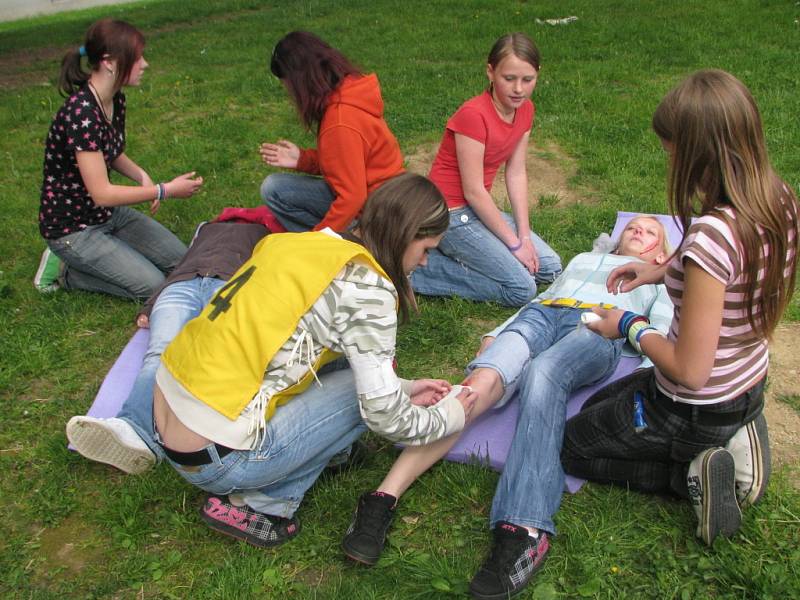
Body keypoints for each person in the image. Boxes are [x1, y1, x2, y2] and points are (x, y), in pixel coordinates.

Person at [342, 216, 674, 599]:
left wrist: (642, 379)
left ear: (662, 251)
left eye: (651, 232)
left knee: (543, 374)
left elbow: (661, 329)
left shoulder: (659, 276)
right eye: (633, 227)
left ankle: (524, 527)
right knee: (476, 387)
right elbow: (537, 301)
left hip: (599, 328)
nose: (638, 231)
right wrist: (495, 334)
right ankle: (383, 497)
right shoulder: (584, 257)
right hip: (543, 314)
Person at [151, 173, 476, 548]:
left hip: (168, 419)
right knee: (361, 398)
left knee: (341, 364)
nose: (424, 262)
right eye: (426, 249)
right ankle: (263, 504)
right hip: (216, 461)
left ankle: (324, 450)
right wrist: (450, 417)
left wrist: (403, 388)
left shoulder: (303, 244)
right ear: (406, 234)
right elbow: (382, 415)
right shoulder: (368, 290)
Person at [561, 70, 798, 548]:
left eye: (672, 149)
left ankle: (700, 475)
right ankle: (736, 433)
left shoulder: (712, 236)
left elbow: (689, 370)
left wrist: (627, 324)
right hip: (746, 383)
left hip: (694, 404)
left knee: (573, 447)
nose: (668, 158)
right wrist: (658, 271)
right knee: (596, 406)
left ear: (698, 153)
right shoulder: (777, 197)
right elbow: (727, 278)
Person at [66, 214, 272, 474]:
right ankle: (133, 430)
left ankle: (191, 431)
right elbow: (179, 265)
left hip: (230, 285)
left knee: (213, 354)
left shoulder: (268, 232)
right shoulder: (207, 230)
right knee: (160, 354)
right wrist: (151, 304)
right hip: (181, 285)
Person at [38, 19, 203, 299]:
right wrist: (163, 190)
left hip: (105, 214)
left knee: (182, 263)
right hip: (73, 228)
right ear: (110, 62)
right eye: (137, 58)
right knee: (151, 286)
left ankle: (106, 254)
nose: (145, 64)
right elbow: (102, 193)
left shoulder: (115, 99)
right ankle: (66, 271)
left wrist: (140, 175)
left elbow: (109, 152)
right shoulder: (82, 113)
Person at [410, 32, 562, 307]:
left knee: (550, 267)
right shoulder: (473, 115)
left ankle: (458, 255)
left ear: (537, 75)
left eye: (527, 80)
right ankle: (414, 269)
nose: (518, 89)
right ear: (490, 72)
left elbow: (516, 172)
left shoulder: (526, 109)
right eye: (509, 79)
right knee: (520, 288)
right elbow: (473, 190)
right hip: (449, 214)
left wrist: (524, 236)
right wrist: (514, 246)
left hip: (478, 210)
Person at [259, 31, 404, 233]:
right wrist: (302, 159)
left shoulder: (340, 123)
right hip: (390, 197)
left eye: (286, 83)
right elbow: (349, 161)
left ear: (299, 80)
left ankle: (347, 242)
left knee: (274, 190)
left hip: (377, 212)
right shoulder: (349, 89)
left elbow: (352, 197)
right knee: (275, 187)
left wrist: (318, 240)